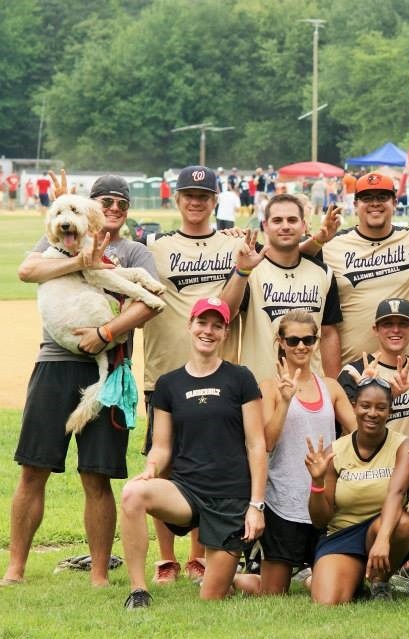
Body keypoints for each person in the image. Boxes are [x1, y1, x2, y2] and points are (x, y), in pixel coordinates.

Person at [3, 176, 161, 588]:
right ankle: (15, 569)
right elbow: (27, 270)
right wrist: (80, 262)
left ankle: (98, 574)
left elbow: (149, 305)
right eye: (105, 201)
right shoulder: (62, 237)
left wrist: (105, 333)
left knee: (96, 474)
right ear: (90, 206)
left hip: (108, 366)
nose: (113, 208)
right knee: (33, 468)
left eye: (121, 203)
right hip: (54, 363)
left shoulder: (134, 251)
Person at [119, 297, 266, 609]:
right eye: (202, 322)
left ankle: (236, 578)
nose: (208, 331)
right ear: (190, 325)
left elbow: (256, 445)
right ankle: (138, 591)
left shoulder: (241, 378)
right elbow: (161, 446)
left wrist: (256, 505)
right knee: (132, 493)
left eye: (217, 326)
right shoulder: (168, 384)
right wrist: (151, 468)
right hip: (186, 492)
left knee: (212, 596)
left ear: (225, 333)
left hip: (229, 499)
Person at [141, 165, 247, 583]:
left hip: (216, 375)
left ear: (215, 200)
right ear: (177, 198)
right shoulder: (154, 246)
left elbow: (234, 307)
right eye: (189, 194)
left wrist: (241, 263)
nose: (196, 201)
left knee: (209, 465)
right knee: (164, 464)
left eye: (204, 195)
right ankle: (166, 558)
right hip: (164, 374)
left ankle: (199, 555)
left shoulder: (234, 244)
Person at [233, 310, 356, 596]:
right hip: (283, 502)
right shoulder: (269, 387)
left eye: (308, 340)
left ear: (316, 341)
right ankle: (236, 578)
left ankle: (311, 575)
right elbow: (266, 442)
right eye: (293, 340)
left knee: (328, 587)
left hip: (322, 501)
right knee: (273, 592)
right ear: (281, 342)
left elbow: (360, 433)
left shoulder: (331, 387)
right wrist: (286, 401)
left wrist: (383, 393)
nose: (301, 346)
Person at [317, 172, 409, 365]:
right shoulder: (332, 246)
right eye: (367, 198)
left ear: (395, 203)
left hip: (405, 370)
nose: (375, 203)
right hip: (352, 371)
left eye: (382, 197)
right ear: (355, 204)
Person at [305, 376, 409, 605]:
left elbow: (396, 493)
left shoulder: (404, 445)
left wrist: (383, 539)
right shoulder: (335, 451)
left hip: (383, 527)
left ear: (390, 411)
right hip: (342, 533)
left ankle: (380, 582)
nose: (372, 413)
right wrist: (317, 482)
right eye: (365, 406)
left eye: (380, 407)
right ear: (354, 406)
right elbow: (320, 520)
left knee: (404, 525)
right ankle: (338, 578)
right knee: (328, 602)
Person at [220, 193, 342, 382]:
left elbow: (328, 333)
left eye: (292, 220)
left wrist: (334, 386)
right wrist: (242, 272)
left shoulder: (323, 272)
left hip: (310, 390)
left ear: (303, 225)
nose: (285, 226)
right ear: (265, 226)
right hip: (260, 389)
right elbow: (223, 315)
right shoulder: (250, 270)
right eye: (277, 220)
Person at [339, 298, 409, 441]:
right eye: (387, 324)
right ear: (375, 330)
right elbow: (354, 433)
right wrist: (378, 394)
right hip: (376, 456)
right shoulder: (354, 373)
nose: (395, 330)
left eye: (403, 324)